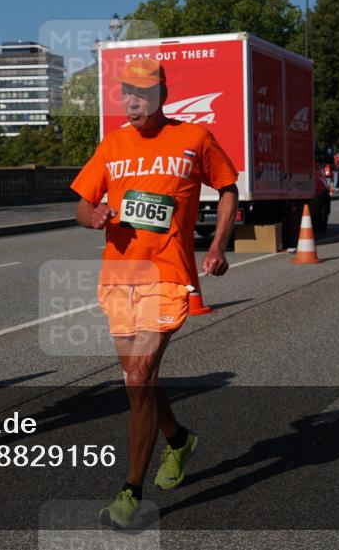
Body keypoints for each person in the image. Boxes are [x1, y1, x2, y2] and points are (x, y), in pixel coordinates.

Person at [71, 58, 238, 529]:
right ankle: (179, 439)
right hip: (118, 278)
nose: (132, 100)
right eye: (126, 91)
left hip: (167, 275)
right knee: (137, 383)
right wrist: (95, 216)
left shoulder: (194, 139)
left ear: (162, 94)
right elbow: (82, 206)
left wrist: (219, 245)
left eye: (142, 92)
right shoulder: (114, 144)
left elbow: (228, 188)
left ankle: (130, 492)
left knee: (141, 376)